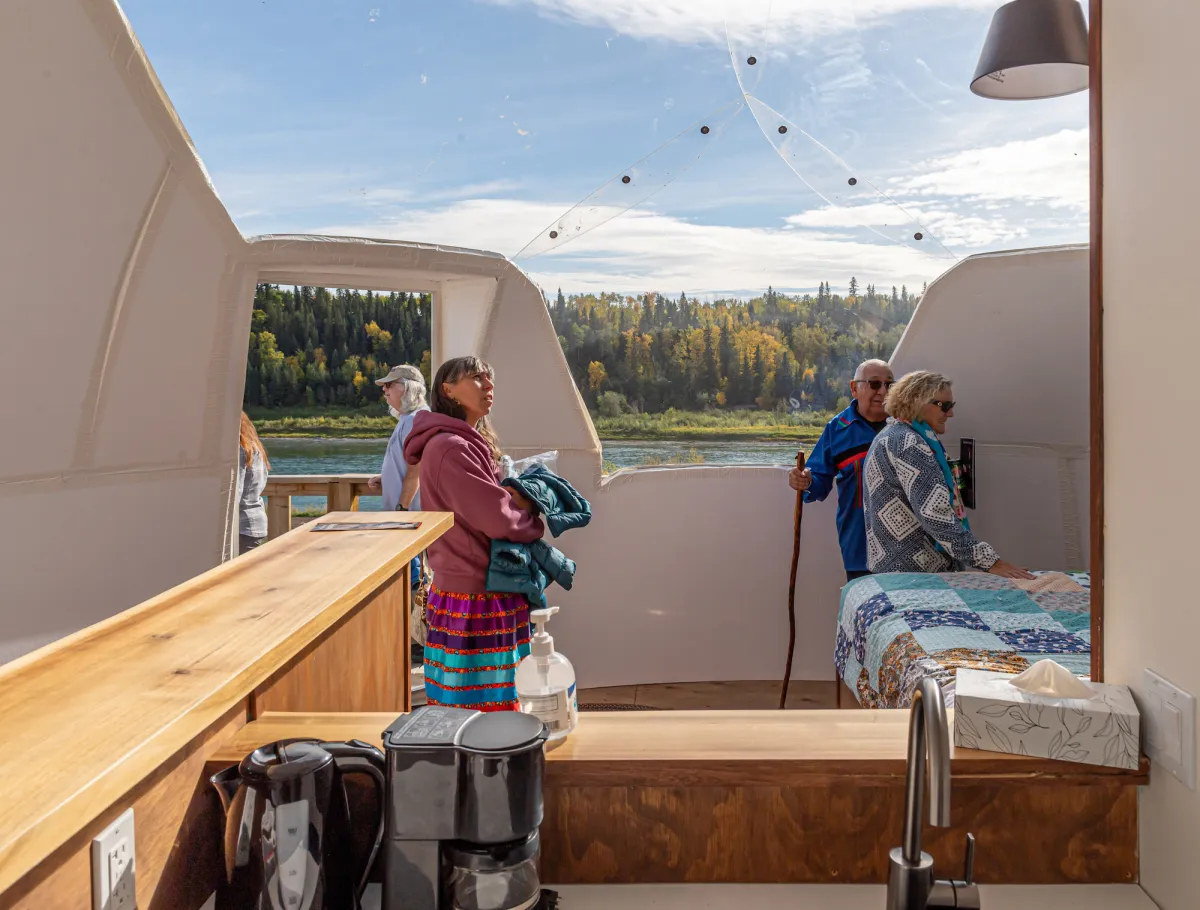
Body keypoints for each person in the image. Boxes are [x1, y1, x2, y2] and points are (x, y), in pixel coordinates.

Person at [403, 356, 544, 711]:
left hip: (473, 590)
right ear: (447, 389)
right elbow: (497, 518)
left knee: (471, 703)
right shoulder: (452, 446)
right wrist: (533, 522)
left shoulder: (461, 442)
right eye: (476, 378)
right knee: (485, 707)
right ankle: (489, 765)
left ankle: (477, 763)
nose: (488, 385)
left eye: (489, 378)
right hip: (476, 597)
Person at [863, 371, 1033, 578]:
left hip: (895, 570)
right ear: (917, 402)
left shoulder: (890, 436)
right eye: (944, 406)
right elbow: (935, 514)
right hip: (916, 576)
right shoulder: (909, 443)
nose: (950, 413)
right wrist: (990, 562)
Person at [789, 359, 893, 582]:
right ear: (854, 388)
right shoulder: (837, 429)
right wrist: (805, 481)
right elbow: (818, 480)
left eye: (889, 385)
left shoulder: (905, 425)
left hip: (909, 550)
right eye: (875, 384)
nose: (883, 392)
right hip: (859, 549)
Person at [368, 364, 429, 512]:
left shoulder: (414, 420)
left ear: (409, 388)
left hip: (408, 517)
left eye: (389, 385)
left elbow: (416, 472)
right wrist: (388, 478)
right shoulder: (409, 418)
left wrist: (401, 509)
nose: (384, 389)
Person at [236, 412, 270, 555]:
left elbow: (234, 493)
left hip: (241, 526)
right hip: (255, 522)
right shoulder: (254, 447)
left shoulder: (239, 450)